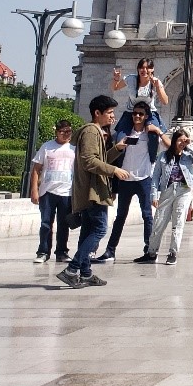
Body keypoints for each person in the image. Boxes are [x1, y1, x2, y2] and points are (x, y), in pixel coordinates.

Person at [58, 95, 131, 288]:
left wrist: (117, 149)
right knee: (99, 229)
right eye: (109, 112)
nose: (112, 116)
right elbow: (89, 161)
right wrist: (114, 170)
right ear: (97, 113)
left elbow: (99, 159)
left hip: (92, 189)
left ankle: (86, 272)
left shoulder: (95, 131)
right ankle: (71, 269)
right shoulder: (91, 131)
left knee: (88, 232)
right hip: (94, 191)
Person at [95, 100, 166, 263]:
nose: (137, 116)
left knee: (147, 216)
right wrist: (114, 186)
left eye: (141, 114)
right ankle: (110, 251)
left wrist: (158, 130)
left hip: (144, 180)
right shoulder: (124, 135)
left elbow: (169, 145)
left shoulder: (150, 135)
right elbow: (114, 159)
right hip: (125, 179)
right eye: (134, 113)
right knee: (120, 216)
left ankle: (150, 251)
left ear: (146, 116)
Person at [139, 128, 193, 265]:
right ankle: (152, 252)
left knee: (178, 222)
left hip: (183, 190)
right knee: (159, 222)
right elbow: (155, 177)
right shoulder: (163, 156)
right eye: (180, 140)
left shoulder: (188, 156)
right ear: (174, 140)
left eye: (184, 141)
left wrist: (189, 146)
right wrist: (154, 195)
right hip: (167, 190)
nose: (182, 143)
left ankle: (173, 253)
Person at [30, 119, 74, 264]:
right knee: (46, 224)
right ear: (56, 132)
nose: (66, 134)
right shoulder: (47, 147)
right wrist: (34, 190)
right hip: (48, 192)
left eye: (68, 131)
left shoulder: (74, 148)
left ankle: (61, 252)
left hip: (67, 192)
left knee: (64, 224)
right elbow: (36, 169)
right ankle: (43, 251)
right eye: (62, 132)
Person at [110, 58, 169, 130]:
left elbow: (165, 101)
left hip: (149, 112)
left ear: (152, 69)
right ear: (138, 69)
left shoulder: (156, 81)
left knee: (153, 134)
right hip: (131, 112)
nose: (144, 70)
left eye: (147, 68)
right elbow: (115, 88)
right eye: (142, 68)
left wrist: (157, 87)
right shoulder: (131, 79)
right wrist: (116, 79)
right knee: (121, 134)